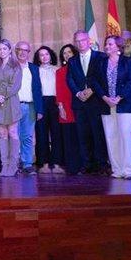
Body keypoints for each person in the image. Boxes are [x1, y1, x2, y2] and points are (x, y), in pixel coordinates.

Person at [91, 35, 131, 179]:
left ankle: (129, 170)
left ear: (118, 46)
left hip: (125, 104)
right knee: (111, 137)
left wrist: (119, 97)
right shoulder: (101, 62)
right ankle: (117, 170)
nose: (107, 46)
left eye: (110, 44)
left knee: (125, 136)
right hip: (106, 105)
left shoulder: (128, 61)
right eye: (106, 44)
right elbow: (94, 81)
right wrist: (105, 97)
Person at [67, 30, 109, 175]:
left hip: (96, 101)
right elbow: (70, 79)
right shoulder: (72, 61)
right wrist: (78, 93)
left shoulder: (101, 57)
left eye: (82, 40)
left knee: (98, 134)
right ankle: (87, 164)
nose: (80, 43)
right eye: (77, 41)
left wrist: (92, 90)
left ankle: (102, 164)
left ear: (89, 40)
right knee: (83, 135)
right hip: (80, 103)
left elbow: (103, 77)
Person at [0, 39, 22, 177]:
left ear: (9, 50)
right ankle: (4, 166)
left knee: (12, 132)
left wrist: (3, 95)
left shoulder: (16, 66)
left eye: (4, 49)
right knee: (2, 134)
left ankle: (13, 165)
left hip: (11, 102)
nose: (1, 51)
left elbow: (16, 86)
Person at [14, 41, 43, 175]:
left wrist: (40, 109)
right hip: (14, 106)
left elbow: (38, 89)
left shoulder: (34, 68)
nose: (22, 52)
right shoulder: (10, 67)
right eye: (19, 49)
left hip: (30, 106)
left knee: (27, 136)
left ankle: (27, 163)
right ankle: (14, 164)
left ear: (29, 52)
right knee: (14, 136)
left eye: (25, 50)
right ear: (16, 51)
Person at [34, 46, 63, 174]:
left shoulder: (58, 70)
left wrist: (61, 106)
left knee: (57, 133)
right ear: (38, 58)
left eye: (46, 54)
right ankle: (44, 163)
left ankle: (56, 163)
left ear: (51, 55)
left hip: (55, 103)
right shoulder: (35, 71)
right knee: (41, 133)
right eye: (41, 55)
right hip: (41, 102)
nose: (44, 57)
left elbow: (61, 89)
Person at [56, 44, 80, 174]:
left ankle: (84, 165)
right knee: (69, 138)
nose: (67, 55)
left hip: (81, 106)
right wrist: (61, 107)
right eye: (64, 53)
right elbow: (59, 90)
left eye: (69, 52)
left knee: (81, 137)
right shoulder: (60, 72)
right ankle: (72, 167)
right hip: (66, 107)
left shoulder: (80, 68)